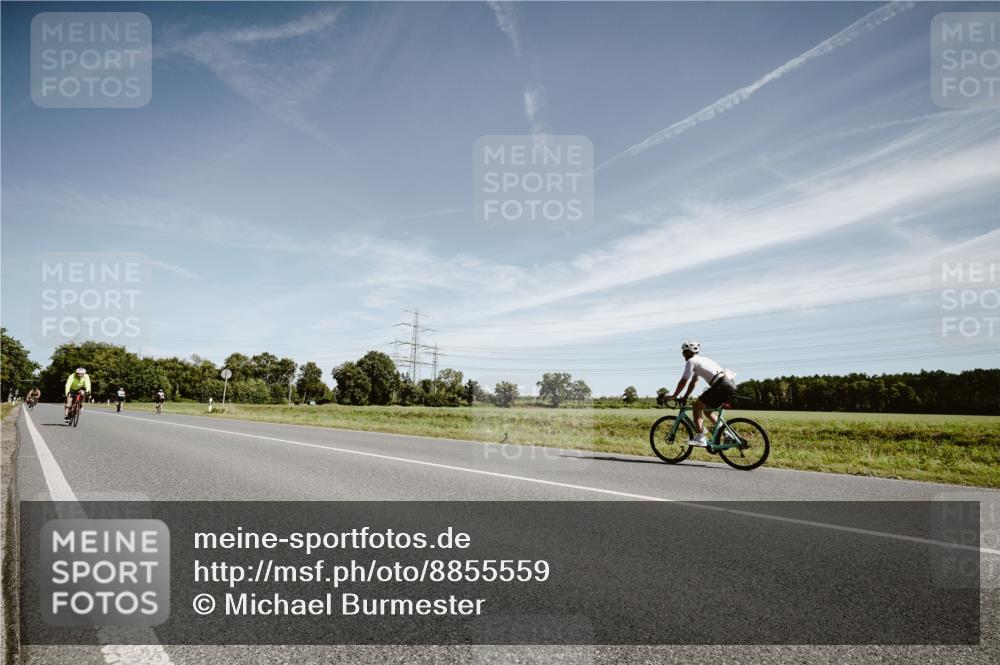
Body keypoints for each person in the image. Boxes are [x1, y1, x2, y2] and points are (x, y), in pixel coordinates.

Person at [669, 341, 737, 446]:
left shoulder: (691, 361)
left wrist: (674, 395)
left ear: (688, 352)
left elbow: (684, 381)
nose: (683, 355)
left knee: (696, 407)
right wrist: (686, 396)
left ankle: (700, 438)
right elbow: (694, 381)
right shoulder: (702, 360)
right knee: (707, 411)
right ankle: (727, 435)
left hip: (721, 385)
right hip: (729, 384)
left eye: (683, 352)